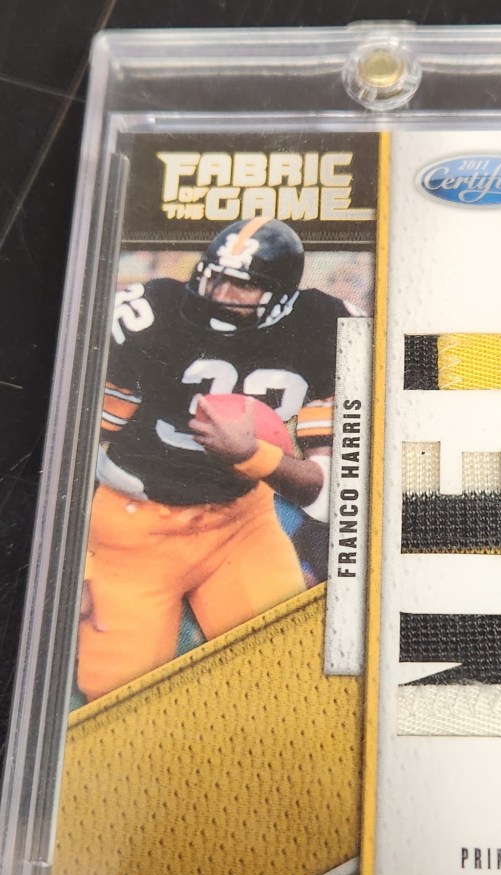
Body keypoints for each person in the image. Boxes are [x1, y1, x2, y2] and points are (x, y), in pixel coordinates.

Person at [78, 216, 357, 702]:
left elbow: (330, 489)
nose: (220, 294)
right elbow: (73, 447)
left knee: (284, 675)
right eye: (215, 277)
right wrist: (76, 563)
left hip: (240, 523)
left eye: (242, 285)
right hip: (132, 529)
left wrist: (254, 457)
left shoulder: (325, 327)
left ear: (283, 295)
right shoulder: (154, 315)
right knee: (117, 698)